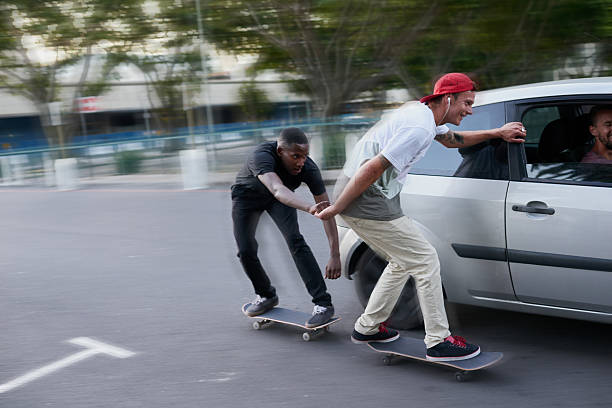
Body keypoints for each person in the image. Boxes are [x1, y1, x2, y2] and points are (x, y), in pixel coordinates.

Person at [316, 73, 525, 361]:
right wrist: (337, 207)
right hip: (365, 195)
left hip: (377, 194)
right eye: (466, 102)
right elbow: (371, 169)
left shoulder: (423, 115)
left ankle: (368, 326)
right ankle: (439, 340)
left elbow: (453, 140)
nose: (470, 110)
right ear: (448, 98)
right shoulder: (419, 128)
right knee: (425, 260)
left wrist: (496, 133)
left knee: (404, 260)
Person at [232, 127, 341, 327]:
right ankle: (266, 295)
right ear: (280, 151)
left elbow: (328, 212)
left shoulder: (309, 168)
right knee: (246, 250)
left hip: (280, 200)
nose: (301, 162)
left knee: (295, 241)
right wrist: (308, 207)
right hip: (246, 196)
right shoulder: (261, 157)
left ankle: (323, 305)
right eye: (296, 156)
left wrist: (335, 254)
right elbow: (276, 188)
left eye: (305, 156)